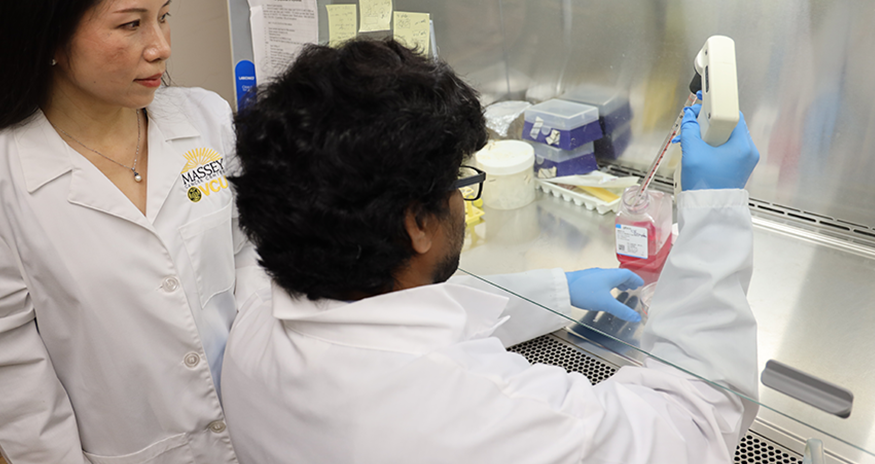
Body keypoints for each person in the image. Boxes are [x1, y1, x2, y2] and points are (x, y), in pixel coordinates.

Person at [221, 38, 761, 463]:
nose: (460, 195)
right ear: (416, 223)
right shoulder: (482, 415)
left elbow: (393, 324)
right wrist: (716, 205)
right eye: (458, 178)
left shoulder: (251, 327)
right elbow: (691, 427)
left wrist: (558, 290)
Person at [0, 0, 264, 463]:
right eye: (131, 24)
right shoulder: (8, 176)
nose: (161, 47)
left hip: (257, 426)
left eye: (164, 15)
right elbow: (15, 373)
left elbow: (251, 257)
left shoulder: (204, 119)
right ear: (47, 35)